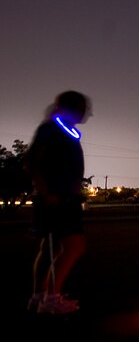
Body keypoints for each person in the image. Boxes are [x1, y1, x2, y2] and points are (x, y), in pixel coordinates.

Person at [24, 90, 92, 313]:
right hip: (56, 198)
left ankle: (38, 296)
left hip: (62, 197)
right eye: (83, 107)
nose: (87, 113)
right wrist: (46, 192)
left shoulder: (65, 131)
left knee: (49, 248)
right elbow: (33, 160)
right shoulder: (51, 129)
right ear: (71, 108)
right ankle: (52, 298)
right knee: (75, 245)